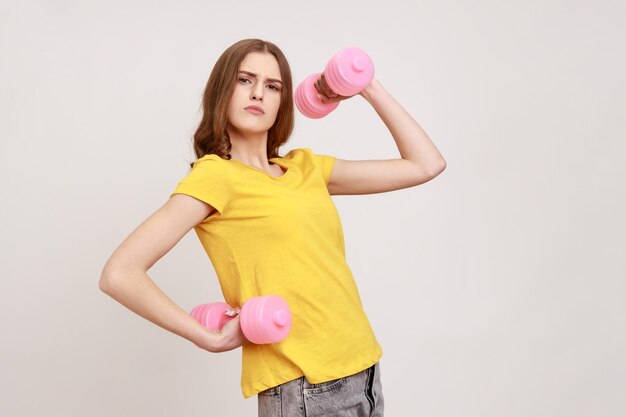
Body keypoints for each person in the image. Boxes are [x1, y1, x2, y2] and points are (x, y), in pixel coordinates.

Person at [99, 38, 446, 417]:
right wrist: (205, 337)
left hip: (362, 368)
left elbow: (425, 164)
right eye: (245, 80)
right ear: (222, 90)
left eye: (272, 85)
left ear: (283, 100)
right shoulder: (215, 177)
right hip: (303, 385)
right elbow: (120, 273)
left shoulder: (306, 168)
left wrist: (364, 85)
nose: (258, 93)